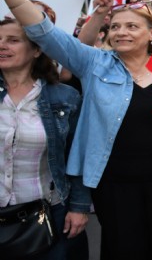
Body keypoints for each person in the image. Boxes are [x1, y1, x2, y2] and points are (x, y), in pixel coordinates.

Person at [0, 0, 152, 260]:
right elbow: (44, 32)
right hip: (114, 184)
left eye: (131, 26)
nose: (120, 32)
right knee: (123, 251)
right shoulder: (94, 63)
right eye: (114, 26)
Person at [0, 17, 89, 260]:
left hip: (47, 215)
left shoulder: (65, 97)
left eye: (13, 40)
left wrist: (79, 208)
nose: (2, 45)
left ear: (37, 49)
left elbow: (77, 156)